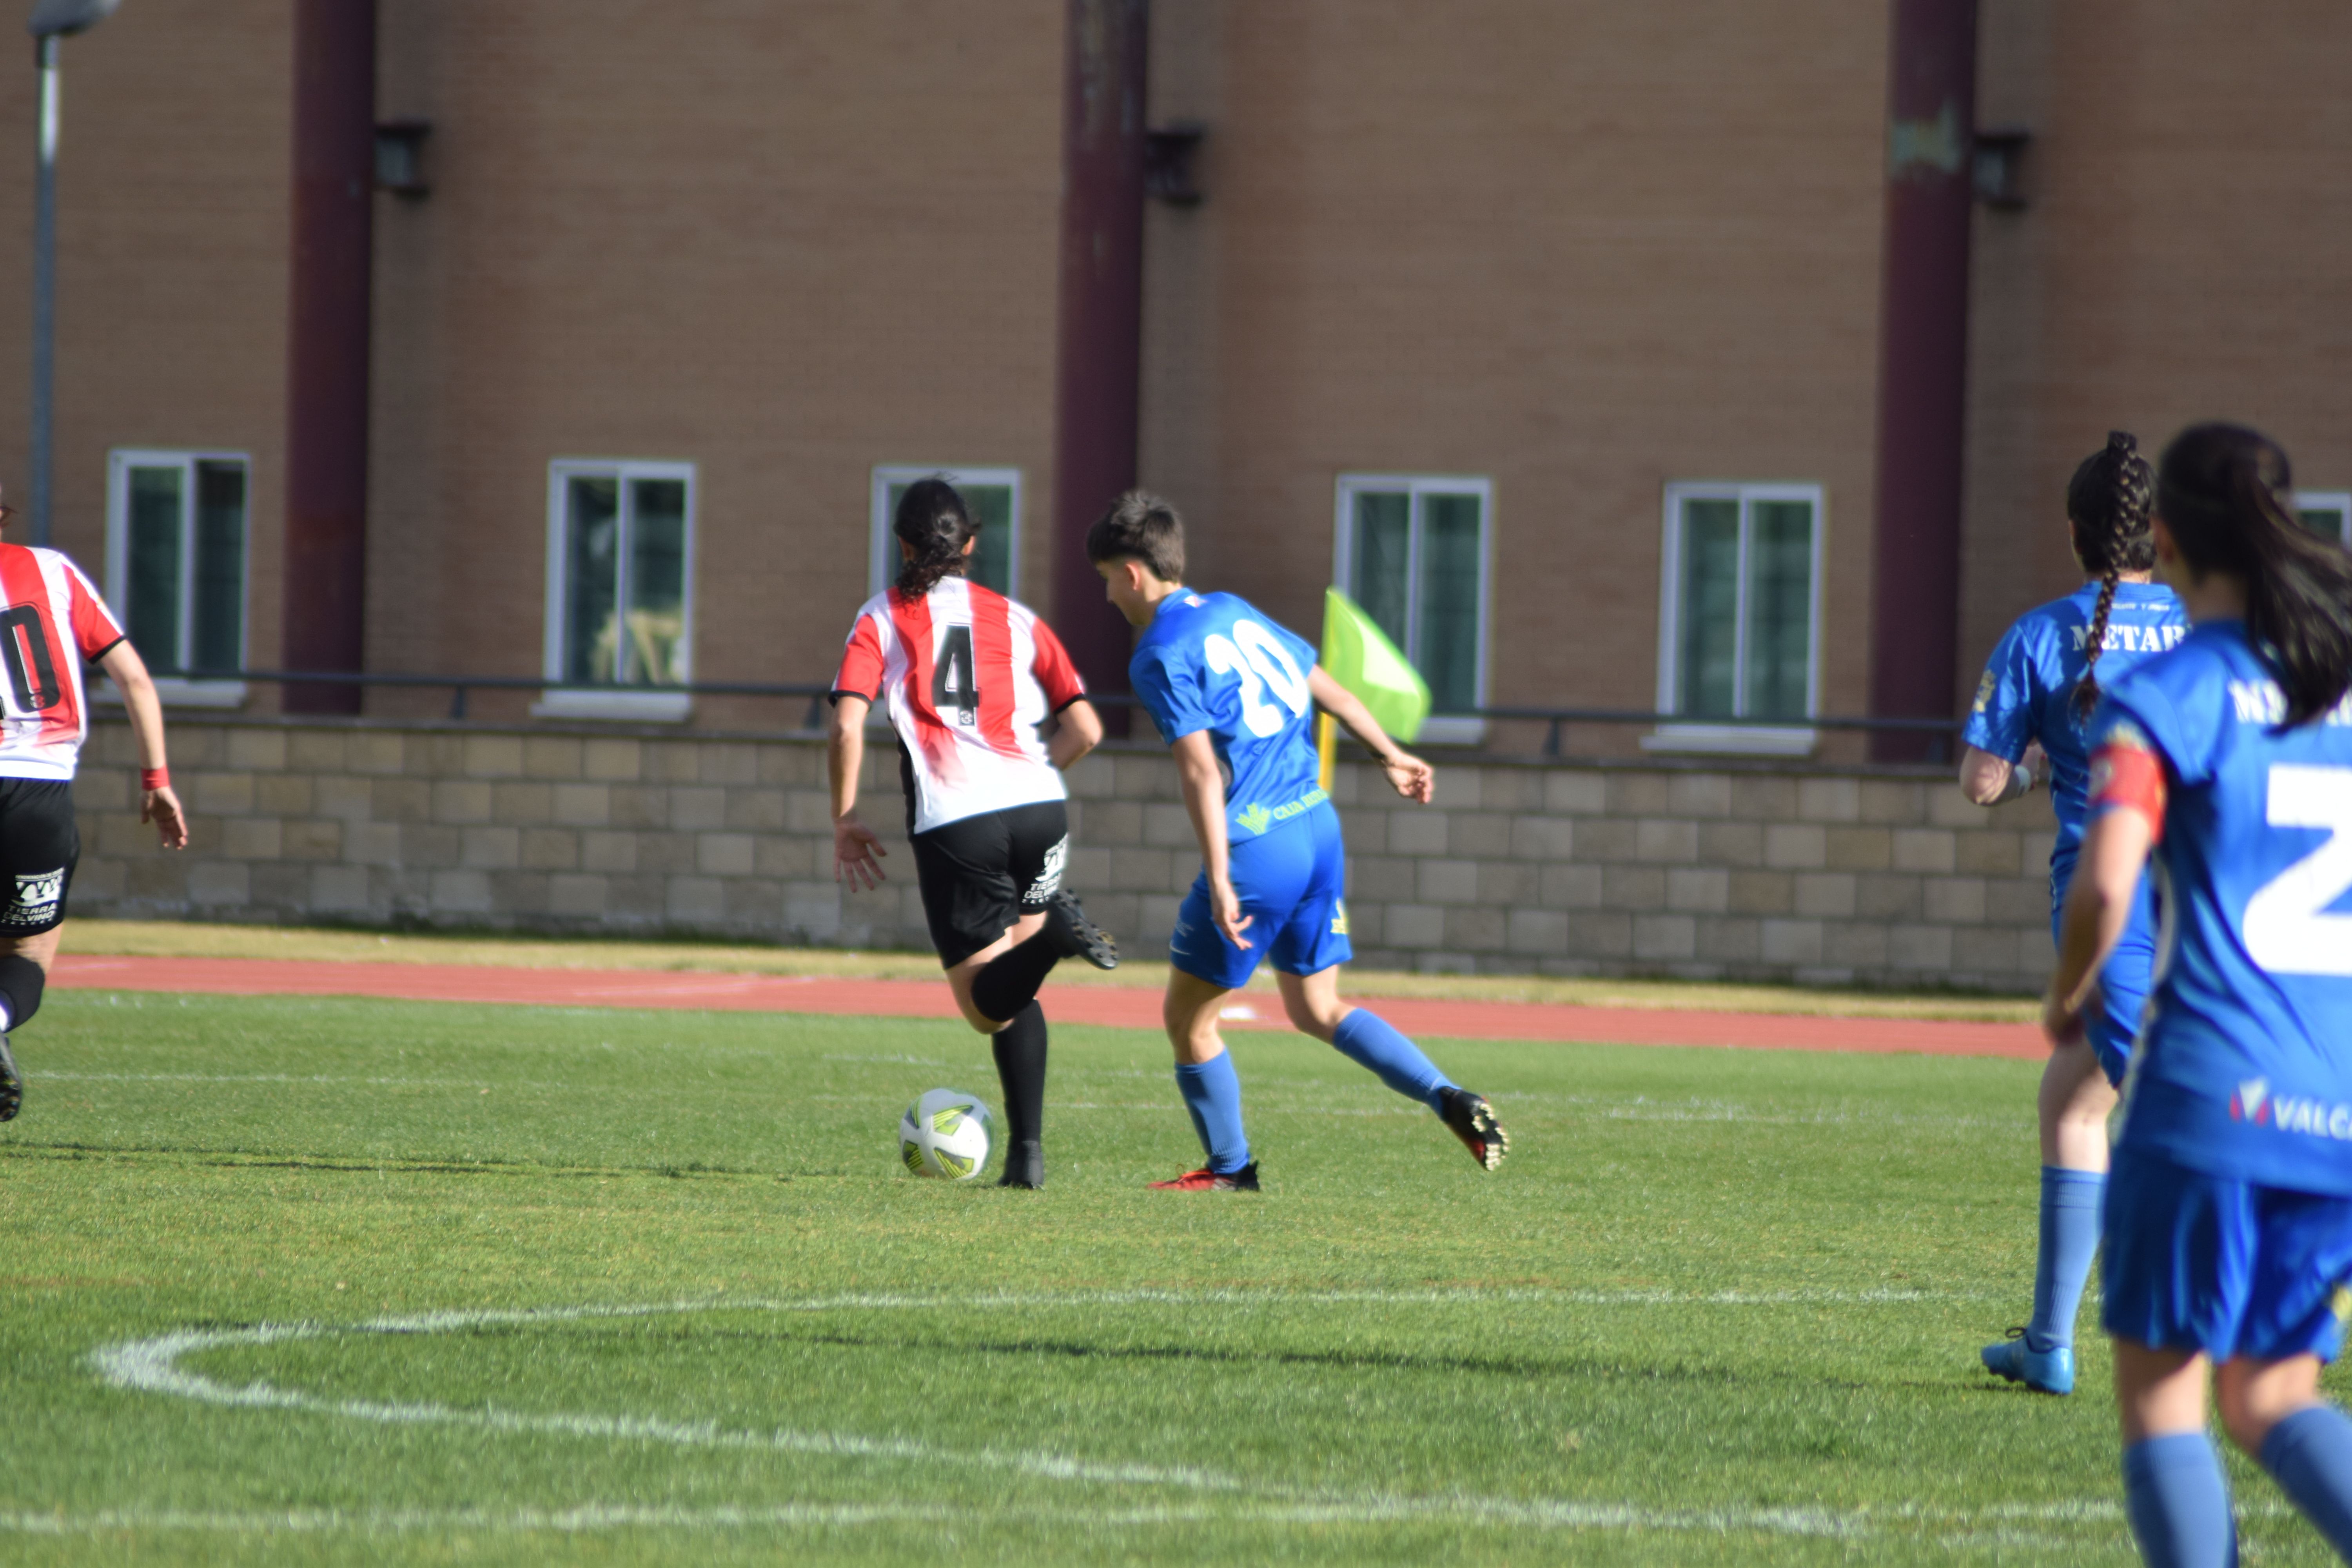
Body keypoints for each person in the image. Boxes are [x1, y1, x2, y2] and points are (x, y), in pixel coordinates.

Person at [2047, 423, 2352, 1567]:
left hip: (2214, 1097)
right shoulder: (2338, 684)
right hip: (2338, 1109)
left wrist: (2067, 984)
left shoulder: (2169, 688)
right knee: (2273, 1397)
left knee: (2169, 1401)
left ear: (2162, 536)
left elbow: (2108, 878)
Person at [1085, 490, 1507, 1190]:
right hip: (1317, 827)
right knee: (1317, 1008)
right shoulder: (1234, 608)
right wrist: (1390, 753)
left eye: (1106, 580)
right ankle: (1449, 1096)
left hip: (1258, 850)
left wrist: (1220, 877)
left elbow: (1197, 768)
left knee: (1188, 1020)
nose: (1107, 597)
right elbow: (1326, 689)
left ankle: (1231, 1172)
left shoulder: (1158, 653)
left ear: (1132, 573)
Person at [1964, 432, 2190, 1396]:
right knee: (2073, 1097)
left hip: (2111, 905)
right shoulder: (2207, 626)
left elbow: (1980, 782)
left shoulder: (2043, 633)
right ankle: (2049, 1341)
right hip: (2216, 898)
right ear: (2158, 537)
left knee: (2182, 1111)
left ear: (2074, 532)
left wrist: (2039, 769)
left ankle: (2292, 1308)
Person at [829, 478, 1116, 1190]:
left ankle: (1054, 938)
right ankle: (1027, 1160)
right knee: (1016, 988)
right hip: (1041, 810)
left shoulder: (880, 617)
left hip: (960, 817)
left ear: (901, 545)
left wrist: (844, 815)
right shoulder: (1015, 617)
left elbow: (844, 722)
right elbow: (1086, 727)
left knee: (986, 1008)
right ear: (972, 546)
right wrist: (1033, 776)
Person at [0, 488, 188, 1121]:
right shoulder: (53, 571)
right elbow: (134, 677)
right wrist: (156, 777)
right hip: (40, 791)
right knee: (28, 954)